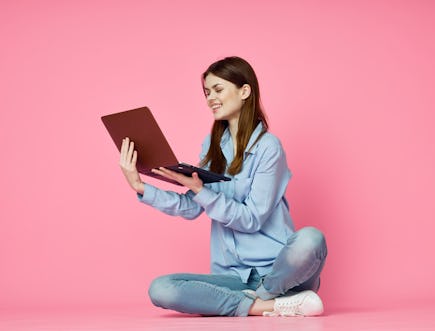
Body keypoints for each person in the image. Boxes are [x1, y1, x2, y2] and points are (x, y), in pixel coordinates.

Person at [119, 56, 328, 317]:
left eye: (218, 90)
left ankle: (265, 295)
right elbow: (191, 207)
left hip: (281, 272)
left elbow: (251, 219)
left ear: (244, 91)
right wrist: (140, 186)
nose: (210, 98)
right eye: (207, 92)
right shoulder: (212, 146)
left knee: (311, 239)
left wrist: (201, 191)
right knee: (161, 289)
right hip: (234, 279)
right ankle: (272, 305)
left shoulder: (268, 147)